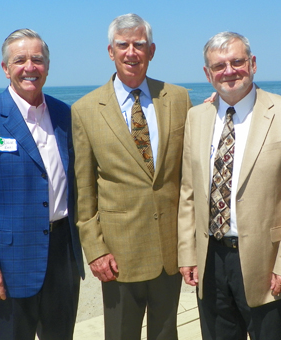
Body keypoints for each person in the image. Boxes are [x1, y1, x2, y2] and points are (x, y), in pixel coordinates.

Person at [0, 29, 84, 340]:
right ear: (5, 68)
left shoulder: (63, 114)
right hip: (8, 263)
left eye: (37, 59)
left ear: (48, 66)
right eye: (20, 60)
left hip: (63, 257)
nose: (30, 67)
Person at [178, 31, 281, 340]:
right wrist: (187, 254)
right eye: (219, 66)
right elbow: (188, 194)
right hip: (211, 261)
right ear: (208, 74)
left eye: (237, 62)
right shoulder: (196, 117)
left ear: (253, 64)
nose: (230, 71)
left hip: (267, 264)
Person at [71, 13, 192, 340]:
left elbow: (188, 175)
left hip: (171, 250)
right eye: (122, 45)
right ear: (111, 51)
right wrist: (95, 250)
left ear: (151, 51)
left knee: (167, 333)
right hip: (118, 254)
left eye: (139, 44)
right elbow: (84, 190)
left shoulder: (179, 99)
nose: (131, 52)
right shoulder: (85, 109)